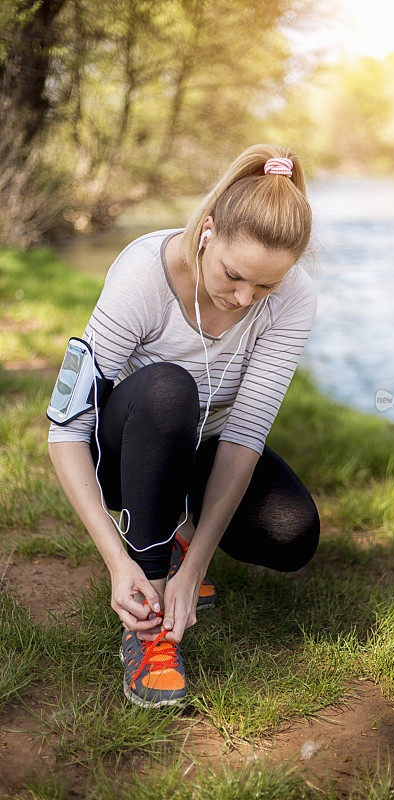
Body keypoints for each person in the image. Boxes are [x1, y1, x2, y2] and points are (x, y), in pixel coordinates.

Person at [47, 143, 320, 709]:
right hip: (128, 446)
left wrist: (196, 565)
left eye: (265, 286)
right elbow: (67, 428)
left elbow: (245, 434)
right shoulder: (144, 273)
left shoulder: (294, 299)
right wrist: (117, 562)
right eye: (234, 275)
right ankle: (144, 622)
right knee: (172, 388)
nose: (245, 299)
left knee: (292, 533)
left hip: (205, 447)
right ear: (208, 231)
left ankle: (176, 543)